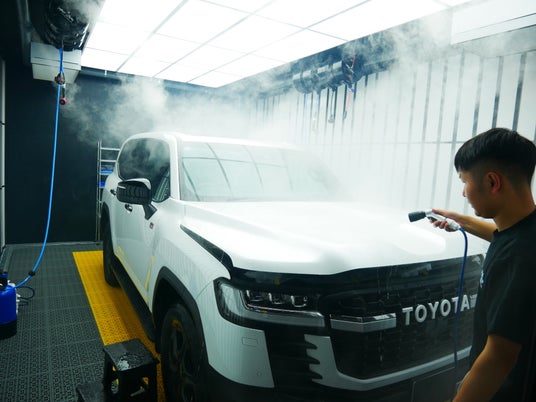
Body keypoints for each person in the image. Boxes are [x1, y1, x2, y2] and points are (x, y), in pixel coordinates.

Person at [432, 127, 536, 402]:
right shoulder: (525, 232)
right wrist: (460, 220)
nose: (463, 193)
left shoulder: (517, 258)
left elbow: (499, 357)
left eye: (464, 180)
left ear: (492, 182)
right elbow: (503, 236)